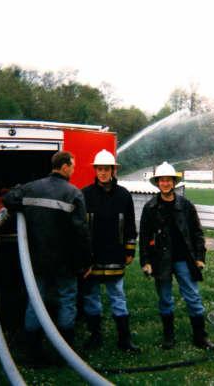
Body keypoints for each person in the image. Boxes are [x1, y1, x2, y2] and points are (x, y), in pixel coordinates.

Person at [3, 151, 92, 365]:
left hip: (36, 260)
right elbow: (81, 232)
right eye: (72, 166)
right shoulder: (74, 194)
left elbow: (8, 199)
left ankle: (32, 352)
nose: (73, 170)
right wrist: (86, 262)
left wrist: (19, 196)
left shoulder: (30, 188)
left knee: (36, 301)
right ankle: (66, 352)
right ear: (63, 166)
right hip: (65, 262)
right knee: (67, 300)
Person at [139, 161, 214, 350]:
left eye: (168, 180)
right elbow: (144, 238)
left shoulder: (186, 205)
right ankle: (169, 337)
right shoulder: (150, 208)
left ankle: (200, 337)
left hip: (184, 259)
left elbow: (197, 233)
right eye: (162, 180)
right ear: (158, 183)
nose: (165, 183)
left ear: (174, 182)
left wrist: (199, 257)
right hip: (161, 260)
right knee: (165, 298)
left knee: (193, 297)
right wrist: (146, 262)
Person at [81, 149, 139, 352]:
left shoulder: (123, 195)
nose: (103, 173)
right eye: (99, 169)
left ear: (113, 170)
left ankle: (125, 340)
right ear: (95, 170)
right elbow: (80, 227)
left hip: (115, 254)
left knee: (118, 296)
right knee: (91, 298)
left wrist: (130, 249)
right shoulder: (85, 194)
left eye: (106, 169)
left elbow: (130, 224)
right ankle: (95, 337)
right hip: (92, 257)